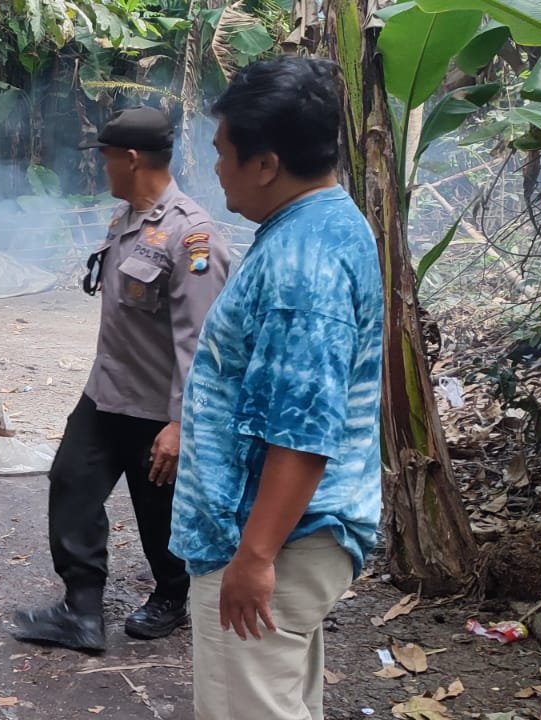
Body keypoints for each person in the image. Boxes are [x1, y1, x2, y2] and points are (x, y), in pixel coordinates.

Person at [171, 56, 383, 720]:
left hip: (274, 539)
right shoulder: (321, 224)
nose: (215, 168)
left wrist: (255, 557)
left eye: (224, 151)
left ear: (265, 163)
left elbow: (303, 430)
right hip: (286, 531)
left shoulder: (302, 266)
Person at [12, 106, 231, 653]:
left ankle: (171, 595)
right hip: (106, 393)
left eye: (107, 158)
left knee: (158, 511)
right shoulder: (126, 220)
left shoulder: (192, 237)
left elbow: (202, 343)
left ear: (131, 159)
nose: (102, 168)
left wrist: (181, 424)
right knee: (71, 486)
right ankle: (81, 611)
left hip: (160, 406)